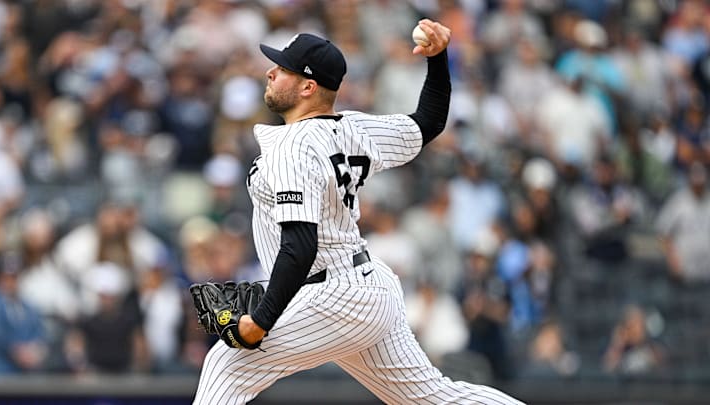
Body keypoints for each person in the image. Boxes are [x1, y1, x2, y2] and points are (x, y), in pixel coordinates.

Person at [193, 19, 524, 404]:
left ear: (307, 86)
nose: (270, 71)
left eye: (282, 69)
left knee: (227, 365)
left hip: (333, 294)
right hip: (365, 286)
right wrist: (437, 61)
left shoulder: (293, 147)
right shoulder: (352, 128)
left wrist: (261, 321)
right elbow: (427, 123)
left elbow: (300, 245)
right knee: (431, 397)